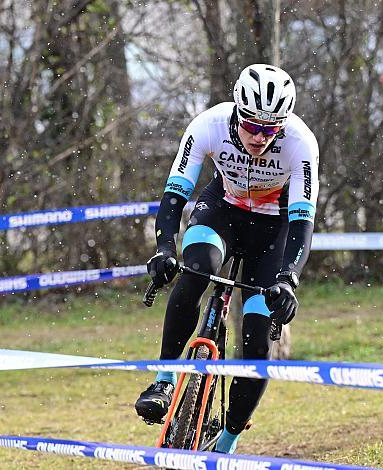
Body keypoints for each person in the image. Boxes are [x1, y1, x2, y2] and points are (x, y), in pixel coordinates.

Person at [135, 63, 319, 454]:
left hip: (273, 232)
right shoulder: (209, 125)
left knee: (256, 346)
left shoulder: (301, 143)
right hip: (223, 213)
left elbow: (303, 221)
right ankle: (165, 379)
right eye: (252, 125)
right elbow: (174, 195)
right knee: (197, 268)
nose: (260, 137)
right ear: (237, 110)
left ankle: (229, 439)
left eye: (271, 130)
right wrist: (165, 248)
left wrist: (288, 278)